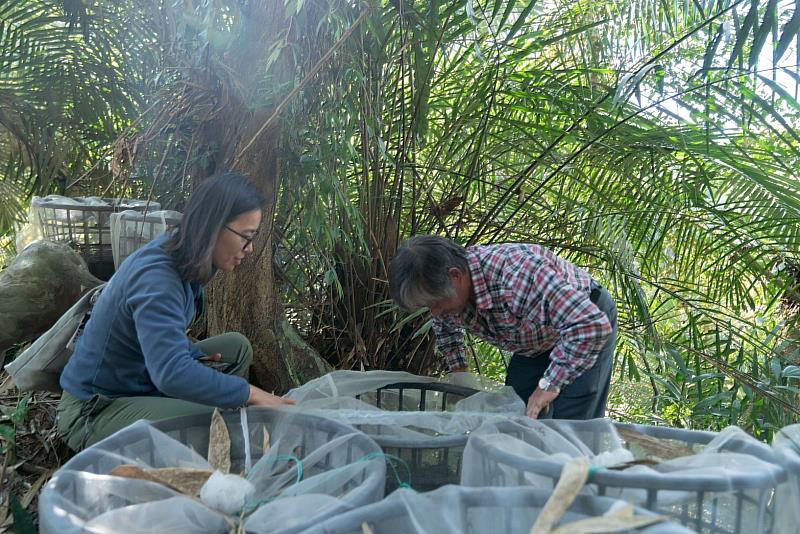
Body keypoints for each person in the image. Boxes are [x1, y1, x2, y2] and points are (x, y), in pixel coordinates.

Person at [57, 172, 294, 451]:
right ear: (213, 226)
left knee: (236, 348)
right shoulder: (158, 278)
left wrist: (190, 353)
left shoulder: (184, 256)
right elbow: (170, 372)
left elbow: (157, 334)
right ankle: (218, 439)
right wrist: (250, 393)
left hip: (141, 380)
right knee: (221, 424)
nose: (250, 248)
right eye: (246, 236)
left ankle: (209, 426)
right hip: (95, 408)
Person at [389, 235, 617, 420]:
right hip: (534, 339)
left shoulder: (517, 276)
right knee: (517, 411)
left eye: (436, 304)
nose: (435, 313)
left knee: (571, 419)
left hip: (584, 324)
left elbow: (589, 325)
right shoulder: (447, 298)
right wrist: (460, 377)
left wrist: (549, 385)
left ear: (455, 275)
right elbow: (446, 330)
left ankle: (572, 463)